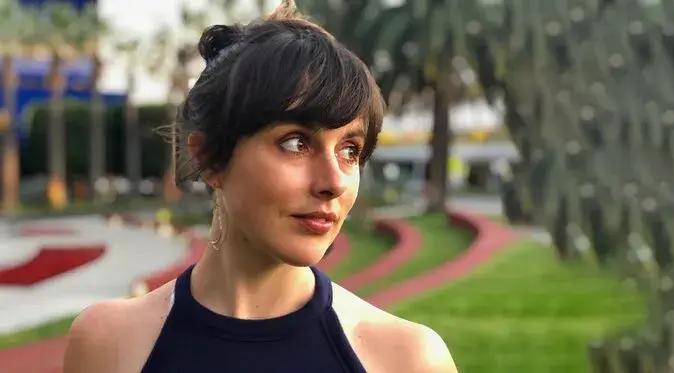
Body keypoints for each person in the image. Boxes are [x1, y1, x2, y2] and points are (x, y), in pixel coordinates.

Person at [63, 1, 457, 372]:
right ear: (209, 157)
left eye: (350, 150)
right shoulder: (108, 343)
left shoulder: (406, 359)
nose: (334, 182)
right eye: (296, 143)